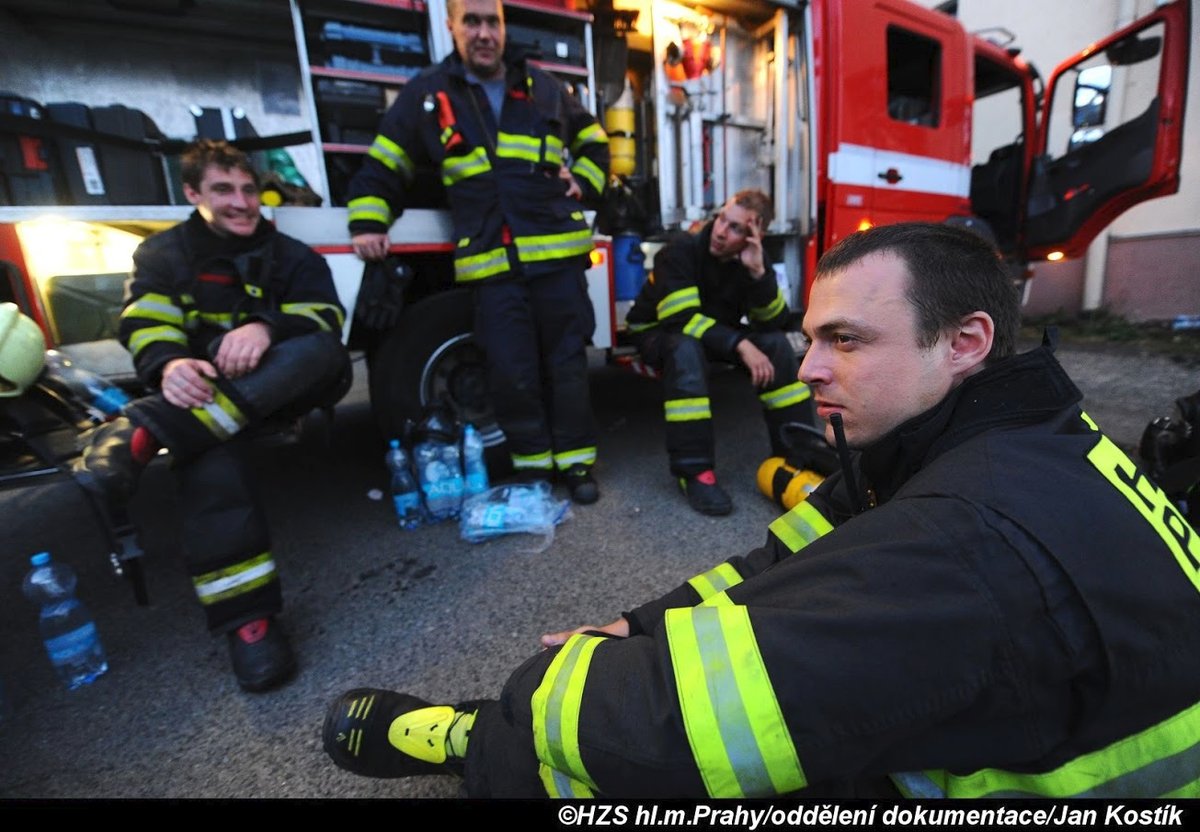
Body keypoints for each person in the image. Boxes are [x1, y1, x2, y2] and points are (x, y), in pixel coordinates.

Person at [320, 222, 1200, 797]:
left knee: (606, 771)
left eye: (846, 340)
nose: (812, 365)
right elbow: (795, 556)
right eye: (817, 337)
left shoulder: (958, 542)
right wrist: (642, 624)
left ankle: (465, 739)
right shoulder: (1020, 429)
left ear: (965, 341)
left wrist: (538, 691)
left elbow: (665, 728)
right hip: (1034, 726)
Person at [74, 140, 350, 692]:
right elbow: (146, 322)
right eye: (224, 189)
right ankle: (249, 622)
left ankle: (151, 429)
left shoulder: (295, 256)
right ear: (193, 192)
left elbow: (325, 315)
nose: (242, 202)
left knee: (323, 350)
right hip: (207, 396)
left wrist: (266, 328)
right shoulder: (163, 256)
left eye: (249, 189)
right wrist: (171, 361)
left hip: (284, 384)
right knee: (211, 450)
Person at [344, 0, 610, 504]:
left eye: (493, 22)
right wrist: (368, 220)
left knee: (568, 367)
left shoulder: (542, 86)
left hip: (557, 257)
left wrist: (586, 183)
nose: (484, 32)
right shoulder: (429, 94)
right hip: (493, 265)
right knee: (511, 372)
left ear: (505, 28)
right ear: (452, 27)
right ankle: (534, 468)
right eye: (472, 21)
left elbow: (595, 140)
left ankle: (577, 465)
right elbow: (385, 160)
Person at [625, 190, 814, 516]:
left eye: (736, 228)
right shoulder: (680, 250)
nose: (722, 231)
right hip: (658, 332)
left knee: (776, 347)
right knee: (686, 349)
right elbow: (680, 320)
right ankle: (694, 471)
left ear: (755, 235)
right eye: (722, 219)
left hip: (709, 332)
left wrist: (759, 275)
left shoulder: (752, 259)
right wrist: (740, 345)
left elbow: (774, 323)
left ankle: (797, 455)